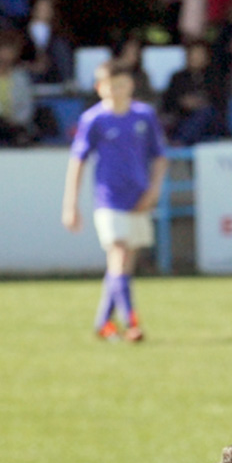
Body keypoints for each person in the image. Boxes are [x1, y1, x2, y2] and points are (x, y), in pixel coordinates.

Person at [62, 60, 165, 343]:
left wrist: (154, 190)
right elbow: (77, 162)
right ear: (99, 88)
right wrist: (70, 204)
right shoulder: (94, 120)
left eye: (121, 85)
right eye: (110, 86)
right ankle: (132, 323)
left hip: (138, 198)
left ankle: (103, 323)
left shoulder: (144, 116)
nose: (116, 91)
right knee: (119, 255)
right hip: (109, 199)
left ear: (130, 85)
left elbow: (159, 156)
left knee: (123, 264)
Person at [159, 37, 222, 145]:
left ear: (206, 57)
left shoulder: (214, 77)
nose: (196, 58)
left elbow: (220, 102)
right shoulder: (177, 77)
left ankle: (179, 142)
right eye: (193, 54)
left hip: (207, 120)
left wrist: (200, 103)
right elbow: (167, 103)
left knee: (205, 113)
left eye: (200, 54)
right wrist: (182, 102)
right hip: (182, 117)